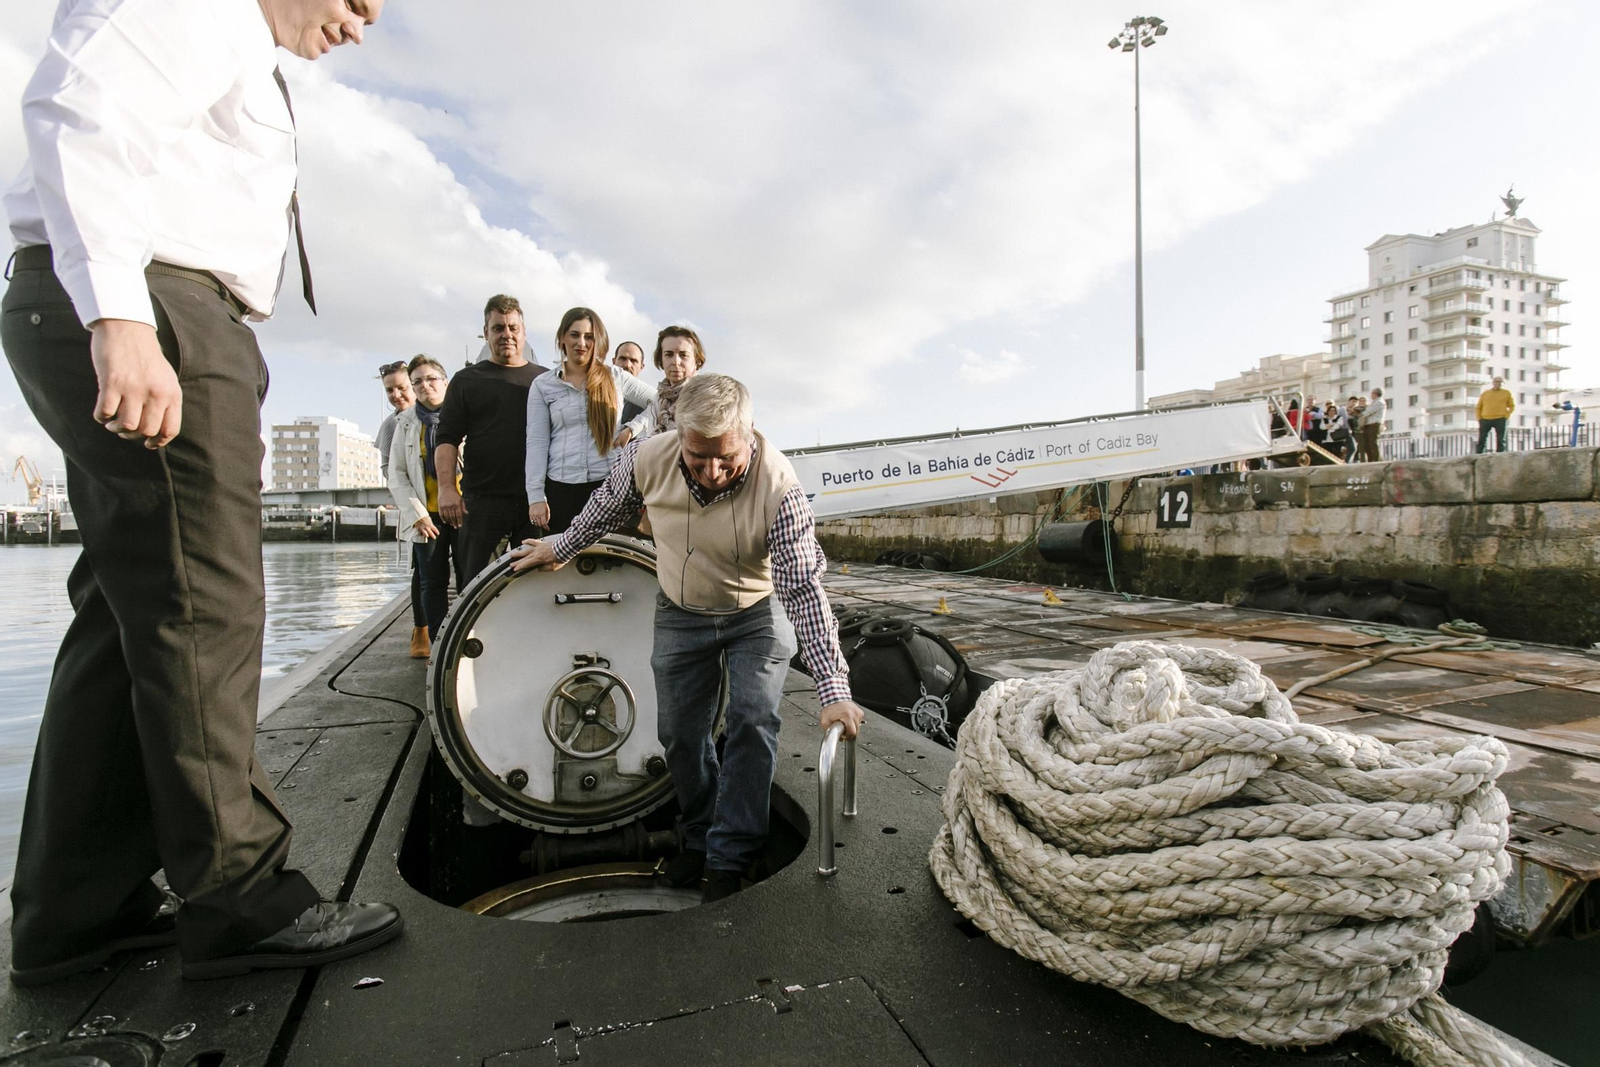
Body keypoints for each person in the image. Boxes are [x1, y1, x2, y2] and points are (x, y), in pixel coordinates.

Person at [2, 0, 401, 985]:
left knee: (125, 613)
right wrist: (121, 316)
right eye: (355, 1)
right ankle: (239, 895)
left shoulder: (243, 45)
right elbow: (81, 105)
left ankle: (74, 907)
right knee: (205, 607)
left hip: (153, 301)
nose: (360, 26)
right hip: (157, 299)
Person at [509, 374, 866, 903]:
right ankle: (699, 836)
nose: (713, 472)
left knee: (752, 720)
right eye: (698, 458)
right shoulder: (644, 459)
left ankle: (731, 856)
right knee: (679, 732)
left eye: (727, 458)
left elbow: (803, 591)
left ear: (749, 435)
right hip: (682, 607)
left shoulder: (779, 489)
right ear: (679, 435)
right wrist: (559, 547)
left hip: (756, 609)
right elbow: (604, 510)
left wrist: (833, 689)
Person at [435, 294, 549, 581]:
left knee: (539, 585)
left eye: (513, 328)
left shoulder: (546, 381)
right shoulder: (466, 380)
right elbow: (447, 438)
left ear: (524, 332)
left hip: (535, 500)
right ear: (486, 333)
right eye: (498, 328)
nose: (506, 334)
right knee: (477, 586)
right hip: (482, 502)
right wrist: (446, 488)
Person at [525, 308, 656, 534]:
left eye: (589, 337)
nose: (581, 343)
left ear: (598, 341)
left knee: (609, 553)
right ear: (562, 338)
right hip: (561, 489)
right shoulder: (543, 385)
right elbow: (537, 442)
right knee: (560, 553)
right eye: (574, 335)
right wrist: (536, 497)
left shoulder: (616, 377)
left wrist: (633, 428)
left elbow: (662, 401)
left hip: (610, 487)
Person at [388, 356, 461, 644]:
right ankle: (439, 644)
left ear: (445, 382)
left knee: (470, 578)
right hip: (427, 517)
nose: (424, 385)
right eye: (417, 381)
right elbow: (397, 474)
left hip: (463, 512)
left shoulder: (463, 415)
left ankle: (468, 641)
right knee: (432, 583)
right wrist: (417, 514)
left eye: (431, 378)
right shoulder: (405, 423)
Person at [375, 360, 427, 656]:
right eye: (389, 390)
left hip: (444, 501)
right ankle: (421, 630)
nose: (396, 395)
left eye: (401, 387)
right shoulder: (390, 426)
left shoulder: (438, 413)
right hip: (414, 507)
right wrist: (413, 507)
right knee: (421, 569)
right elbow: (389, 471)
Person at [633, 325, 708, 438]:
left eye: (683, 355)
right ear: (661, 360)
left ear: (697, 361)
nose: (676, 361)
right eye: (669, 354)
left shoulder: (705, 396)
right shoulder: (657, 399)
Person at [613, 341, 649, 425]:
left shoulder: (647, 402)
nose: (627, 365)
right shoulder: (596, 393)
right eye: (623, 359)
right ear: (614, 362)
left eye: (633, 361)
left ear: (641, 367)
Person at [1476, 376, 1514, 453]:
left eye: (1500, 382)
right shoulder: (1485, 393)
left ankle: (1500, 454)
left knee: (1501, 439)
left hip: (1500, 418)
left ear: (1502, 383)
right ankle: (1479, 454)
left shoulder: (1506, 393)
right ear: (1493, 383)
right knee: (1482, 438)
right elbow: (1478, 407)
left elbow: (1511, 406)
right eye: (1496, 381)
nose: (1498, 383)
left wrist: (1506, 415)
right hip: (1485, 419)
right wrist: (1479, 418)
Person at [1357, 388, 1386, 463]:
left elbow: (1368, 412)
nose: (1371, 395)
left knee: (1373, 443)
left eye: (1372, 393)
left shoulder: (1379, 402)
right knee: (1367, 444)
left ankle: (1376, 460)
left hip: (1374, 424)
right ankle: (1371, 459)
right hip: (1368, 425)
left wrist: (1360, 414)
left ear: (1375, 394)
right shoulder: (1374, 402)